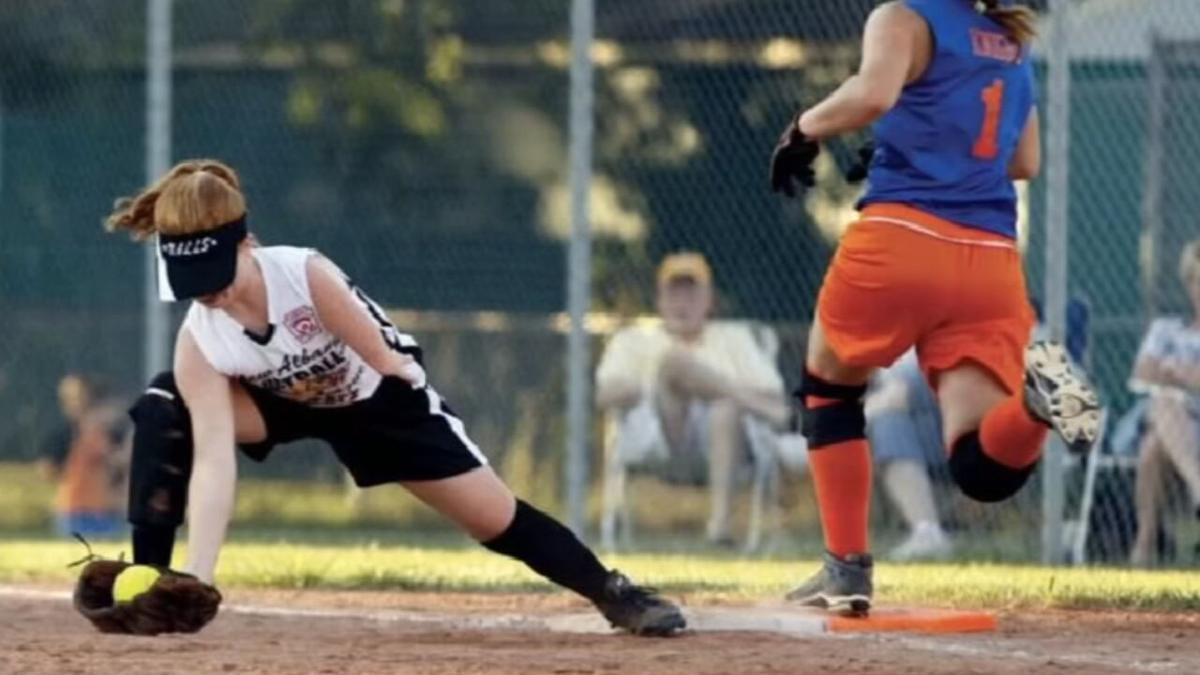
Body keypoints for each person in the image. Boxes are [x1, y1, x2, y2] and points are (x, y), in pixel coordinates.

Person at [103, 159, 684, 636]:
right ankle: (153, 581)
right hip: (274, 402)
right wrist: (200, 577)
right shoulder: (200, 339)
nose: (210, 292)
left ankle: (612, 591)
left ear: (246, 241)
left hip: (375, 397)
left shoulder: (303, 277)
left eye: (215, 270)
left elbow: (389, 362)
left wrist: (409, 394)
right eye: (193, 283)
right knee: (163, 404)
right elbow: (212, 460)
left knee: (494, 518)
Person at [769, 0, 1100, 615]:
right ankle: (1034, 405)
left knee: (829, 389)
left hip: (903, 238)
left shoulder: (902, 16)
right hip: (990, 259)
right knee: (980, 466)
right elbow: (1024, 162)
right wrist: (922, 138)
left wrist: (803, 129)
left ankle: (846, 569)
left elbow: (872, 95)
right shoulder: (1011, 36)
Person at [595, 252, 791, 545]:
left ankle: (719, 526)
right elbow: (605, 394)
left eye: (691, 294)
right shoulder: (634, 341)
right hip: (657, 434)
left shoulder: (734, 338)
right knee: (674, 362)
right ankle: (731, 396)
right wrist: (655, 384)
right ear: (660, 300)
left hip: (722, 439)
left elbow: (772, 389)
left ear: (709, 300)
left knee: (726, 408)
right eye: (674, 294)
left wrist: (709, 388)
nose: (682, 304)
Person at [1128, 240, 1200, 567]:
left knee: (1153, 447)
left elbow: (1159, 370)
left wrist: (1172, 371)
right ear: (1189, 285)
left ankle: (1143, 550)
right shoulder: (1166, 329)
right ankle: (1198, 487)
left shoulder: (1167, 344)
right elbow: (1142, 373)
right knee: (1163, 409)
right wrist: (1187, 377)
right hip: (1171, 423)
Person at [865, 349, 952, 561]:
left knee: (915, 380)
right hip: (931, 430)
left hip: (985, 420)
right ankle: (927, 533)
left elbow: (903, 392)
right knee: (889, 423)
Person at [44, 375, 129, 538]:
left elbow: (121, 465)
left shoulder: (108, 435)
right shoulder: (64, 435)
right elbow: (48, 469)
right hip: (74, 511)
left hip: (104, 511)